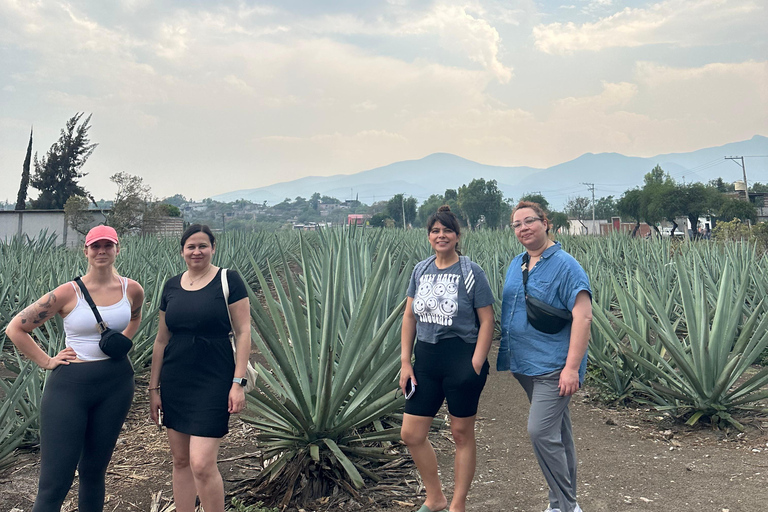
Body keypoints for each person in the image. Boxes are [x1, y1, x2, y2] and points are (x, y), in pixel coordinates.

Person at [5, 225, 144, 512]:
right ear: (86, 251)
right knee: (56, 481)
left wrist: (120, 343)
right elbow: (16, 328)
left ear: (118, 249)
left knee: (94, 473)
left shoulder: (132, 289)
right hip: (70, 388)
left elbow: (135, 317)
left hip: (116, 385)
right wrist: (47, 361)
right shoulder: (67, 293)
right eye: (96, 246)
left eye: (108, 245)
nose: (102, 251)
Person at [148, 224, 251, 512]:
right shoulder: (171, 285)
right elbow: (161, 339)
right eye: (191, 246)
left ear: (213, 248)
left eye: (202, 245)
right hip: (176, 378)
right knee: (180, 461)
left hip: (214, 378)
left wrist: (238, 383)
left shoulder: (228, 280)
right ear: (182, 251)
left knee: (202, 463)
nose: (197, 251)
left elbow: (244, 332)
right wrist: (154, 389)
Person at [497, 201, 592, 512]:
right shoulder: (517, 264)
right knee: (558, 434)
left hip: (554, 366)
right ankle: (561, 504)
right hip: (524, 365)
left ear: (545, 223)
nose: (524, 228)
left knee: (539, 432)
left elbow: (582, 317)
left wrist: (572, 368)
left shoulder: (566, 265)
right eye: (517, 224)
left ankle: (566, 506)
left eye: (530, 221)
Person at [399, 205, 495, 512]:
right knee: (411, 434)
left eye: (447, 231)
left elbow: (488, 320)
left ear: (457, 236)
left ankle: (458, 504)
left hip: (461, 358)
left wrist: (476, 363)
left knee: (461, 433)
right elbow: (408, 317)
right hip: (425, 360)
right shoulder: (420, 270)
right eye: (435, 231)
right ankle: (435, 497)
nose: (441, 236)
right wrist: (405, 361)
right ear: (429, 236)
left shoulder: (470, 271)